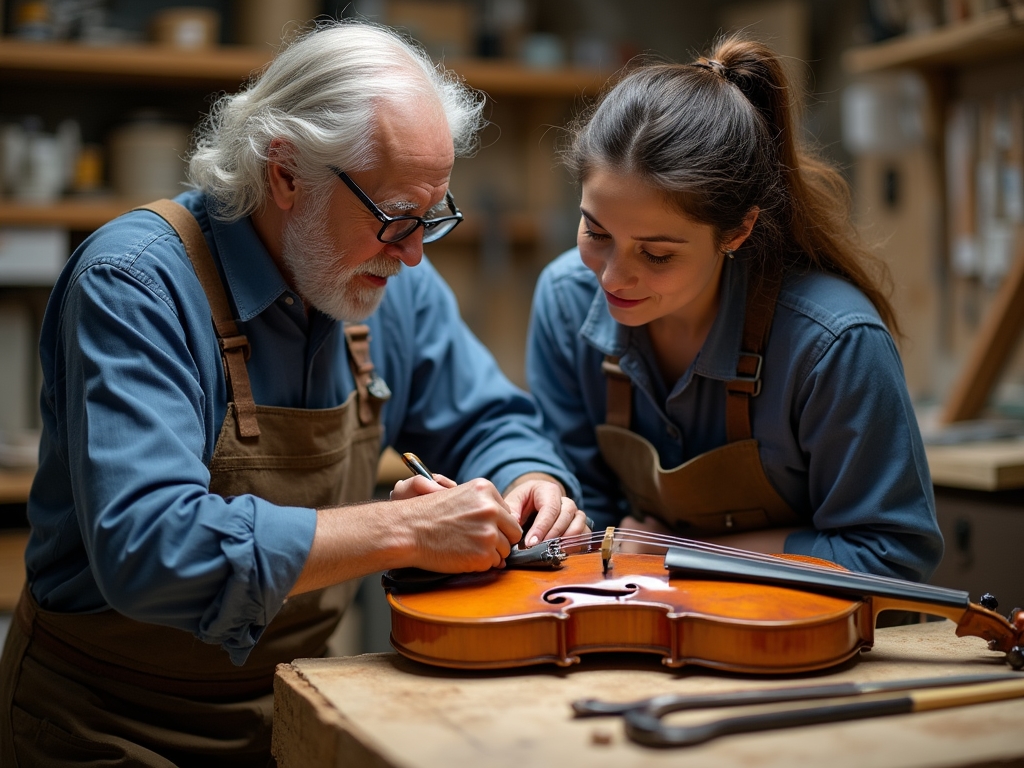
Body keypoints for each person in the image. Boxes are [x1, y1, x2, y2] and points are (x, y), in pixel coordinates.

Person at [0, 21, 588, 767]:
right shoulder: (134, 285)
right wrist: (403, 530)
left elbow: (489, 418)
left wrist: (531, 480)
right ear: (285, 173)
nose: (413, 254)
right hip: (106, 724)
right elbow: (152, 547)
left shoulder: (388, 282)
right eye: (394, 218)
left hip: (297, 704)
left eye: (431, 218)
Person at [527, 36, 943, 583]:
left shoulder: (832, 344)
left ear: (738, 231)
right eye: (596, 232)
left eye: (656, 253)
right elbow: (586, 520)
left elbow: (892, 554)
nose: (611, 277)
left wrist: (680, 553)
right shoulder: (565, 302)